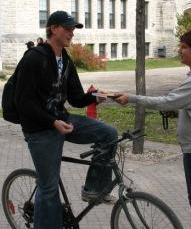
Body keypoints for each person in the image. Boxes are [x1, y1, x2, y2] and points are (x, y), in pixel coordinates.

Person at [15, 10, 117, 229]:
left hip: (62, 120)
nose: (72, 33)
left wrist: (98, 97)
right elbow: (24, 103)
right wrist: (52, 123)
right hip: (40, 130)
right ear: (54, 29)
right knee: (49, 188)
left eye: (73, 29)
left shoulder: (65, 60)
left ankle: (93, 189)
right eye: (68, 28)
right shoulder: (34, 58)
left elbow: (76, 98)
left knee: (109, 134)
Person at [114, 29, 191, 229]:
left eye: (184, 47)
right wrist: (178, 112)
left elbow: (166, 101)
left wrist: (131, 98)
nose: (179, 50)